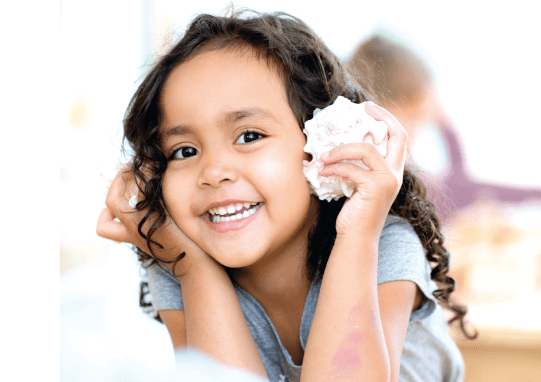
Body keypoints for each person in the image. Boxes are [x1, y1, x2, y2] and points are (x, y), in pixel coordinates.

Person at [97, 10, 472, 382]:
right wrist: (193, 269)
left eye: (249, 136)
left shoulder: (381, 243)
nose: (213, 172)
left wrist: (359, 232)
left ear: (320, 145)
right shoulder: (179, 256)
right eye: (184, 151)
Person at [347, 34, 541, 224]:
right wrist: (445, 123)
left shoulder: (408, 179)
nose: (415, 132)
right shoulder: (387, 190)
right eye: (413, 117)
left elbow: (459, 186)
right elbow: (460, 190)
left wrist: (538, 195)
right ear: (371, 113)